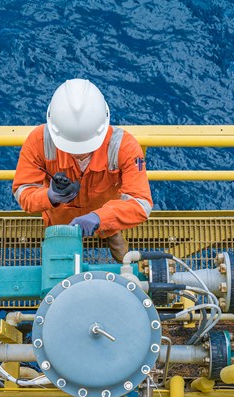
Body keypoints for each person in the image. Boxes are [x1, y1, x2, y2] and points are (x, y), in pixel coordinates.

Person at [12, 79, 152, 262]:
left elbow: (141, 204)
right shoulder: (39, 141)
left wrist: (99, 217)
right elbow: (23, 190)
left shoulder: (124, 148)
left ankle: (116, 245)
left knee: (119, 247)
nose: (79, 154)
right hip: (61, 221)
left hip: (106, 220)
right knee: (61, 266)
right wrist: (50, 196)